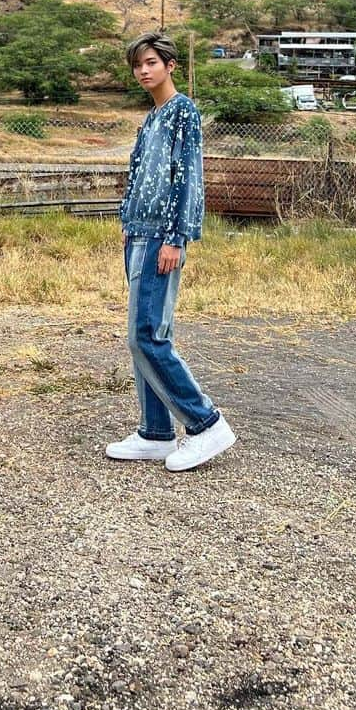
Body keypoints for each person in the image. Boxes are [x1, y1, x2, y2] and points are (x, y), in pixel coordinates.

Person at [106, 31, 237, 472]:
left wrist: (177, 238)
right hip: (137, 234)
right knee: (144, 336)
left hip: (162, 237)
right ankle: (156, 433)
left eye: (151, 62)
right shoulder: (152, 118)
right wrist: (127, 222)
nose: (143, 71)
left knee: (148, 335)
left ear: (170, 66)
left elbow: (189, 179)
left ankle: (206, 423)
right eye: (137, 65)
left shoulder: (183, 112)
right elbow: (138, 174)